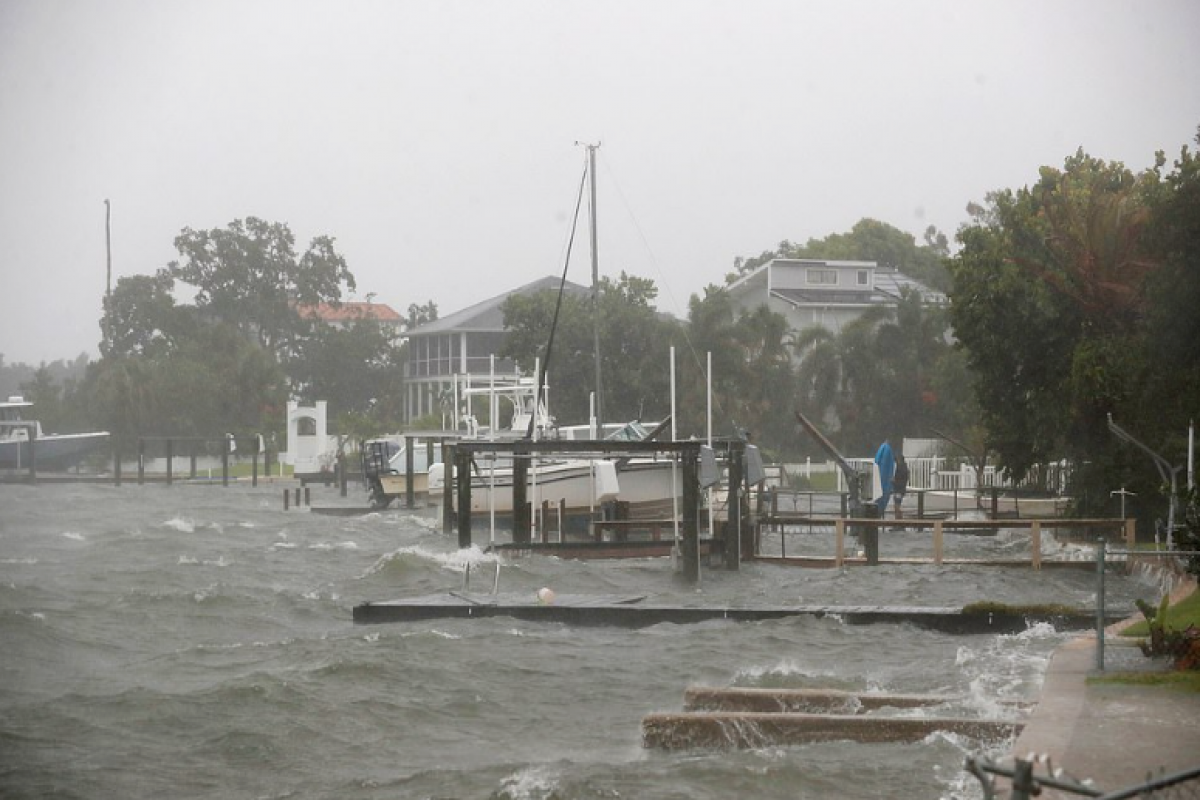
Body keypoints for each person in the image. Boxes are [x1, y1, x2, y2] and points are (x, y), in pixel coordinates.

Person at [873, 439, 895, 515]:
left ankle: (878, 512)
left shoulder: (883, 449)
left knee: (879, 497)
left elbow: (877, 461)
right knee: (883, 496)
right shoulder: (888, 450)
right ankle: (880, 512)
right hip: (884, 482)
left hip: (880, 480)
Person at [892, 453, 909, 520]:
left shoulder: (901, 468)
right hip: (899, 489)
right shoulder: (903, 467)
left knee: (897, 506)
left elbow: (900, 480)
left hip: (899, 489)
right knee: (897, 505)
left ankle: (899, 520)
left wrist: (893, 481)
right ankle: (898, 520)